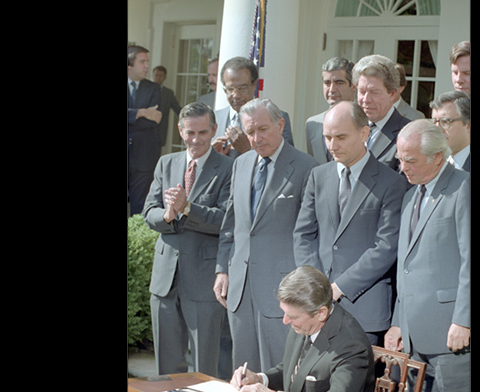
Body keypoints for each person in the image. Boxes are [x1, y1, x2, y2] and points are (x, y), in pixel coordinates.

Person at [214, 98, 318, 373]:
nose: (256, 138)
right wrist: (222, 270)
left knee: (279, 373)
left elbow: (311, 232)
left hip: (283, 290)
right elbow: (231, 224)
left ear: (280, 125)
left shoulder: (307, 167)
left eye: (262, 129)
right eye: (250, 132)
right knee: (243, 372)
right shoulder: (241, 164)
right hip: (240, 287)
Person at [385, 120, 470, 392]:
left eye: (411, 160)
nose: (402, 167)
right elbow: (405, 267)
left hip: (452, 336)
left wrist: (464, 319)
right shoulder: (411, 196)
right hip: (414, 338)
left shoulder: (463, 189)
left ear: (438, 157)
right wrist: (397, 323)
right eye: (400, 159)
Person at [294, 101, 405, 345]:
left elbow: (386, 247)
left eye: (341, 137)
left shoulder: (391, 182)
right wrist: (317, 285)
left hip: (364, 309)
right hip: (316, 307)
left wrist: (339, 287)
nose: (332, 146)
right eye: (327, 137)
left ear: (364, 133)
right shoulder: (318, 175)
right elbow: (303, 234)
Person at [232, 265, 375, 392]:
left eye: (292, 316)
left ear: (321, 313)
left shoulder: (351, 345)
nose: (285, 321)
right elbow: (293, 371)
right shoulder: (305, 322)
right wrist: (260, 379)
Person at [143, 102, 233, 377]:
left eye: (203, 132)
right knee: (166, 369)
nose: (195, 139)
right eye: (189, 132)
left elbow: (227, 221)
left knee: (206, 367)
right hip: (164, 281)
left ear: (214, 130)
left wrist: (189, 208)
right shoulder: (166, 163)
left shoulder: (230, 168)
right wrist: (168, 215)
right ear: (180, 130)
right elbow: (149, 212)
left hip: (204, 281)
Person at [211, 57, 293, 158]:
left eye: (242, 88)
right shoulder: (213, 118)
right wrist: (212, 157)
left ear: (254, 85)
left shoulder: (275, 117)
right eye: (230, 89)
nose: (236, 95)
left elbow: (286, 161)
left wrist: (248, 149)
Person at [353, 54, 411, 172]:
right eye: (362, 91)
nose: (366, 99)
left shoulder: (409, 134)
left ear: (393, 94)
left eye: (374, 92)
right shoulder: (349, 128)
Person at [128, 45, 163, 216]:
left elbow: (154, 120)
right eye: (142, 62)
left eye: (147, 62)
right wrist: (142, 112)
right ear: (129, 64)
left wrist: (132, 116)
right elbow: (146, 119)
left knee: (139, 208)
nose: (147, 66)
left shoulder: (154, 88)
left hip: (144, 157)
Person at [304, 57, 356, 164]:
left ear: (353, 85)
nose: (332, 89)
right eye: (327, 83)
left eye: (339, 83)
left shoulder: (365, 121)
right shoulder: (312, 124)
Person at [430, 91, 470, 172]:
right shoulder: (429, 161)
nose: (438, 129)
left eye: (445, 121)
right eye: (434, 121)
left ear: (468, 125)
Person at [152, 65, 183, 148]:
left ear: (164, 77)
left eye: (160, 76)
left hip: (160, 132)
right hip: (145, 131)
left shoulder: (168, 93)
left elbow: (177, 109)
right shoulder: (145, 90)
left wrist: (187, 119)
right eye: (156, 75)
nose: (158, 78)